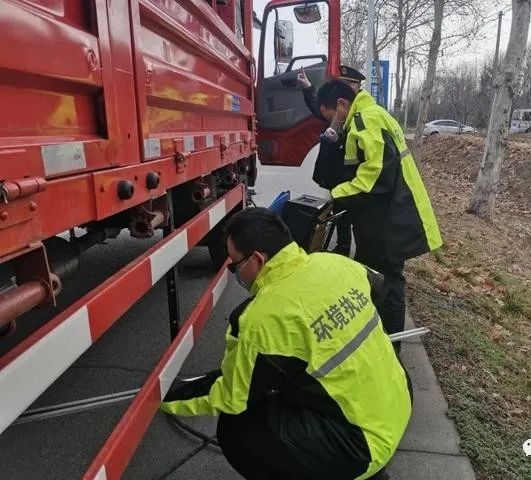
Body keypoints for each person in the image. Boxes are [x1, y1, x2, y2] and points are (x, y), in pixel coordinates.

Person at [161, 208, 412, 480]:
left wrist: (164, 397)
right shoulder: (335, 264)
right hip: (397, 402)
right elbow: (381, 288)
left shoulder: (263, 317)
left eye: (235, 264)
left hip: (360, 445)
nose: (235, 272)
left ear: (257, 259)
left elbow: (234, 396)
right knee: (281, 388)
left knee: (237, 430)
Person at [315, 80, 443, 338]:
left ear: (342, 104)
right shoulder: (372, 115)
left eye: (331, 117)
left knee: (387, 282)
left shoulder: (365, 120)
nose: (332, 124)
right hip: (390, 214)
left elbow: (375, 177)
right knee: (381, 278)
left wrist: (336, 196)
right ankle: (378, 339)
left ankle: (389, 346)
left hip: (389, 219)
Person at [297, 66, 366, 256]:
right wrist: (308, 88)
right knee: (341, 212)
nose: (346, 88)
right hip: (338, 177)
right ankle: (343, 247)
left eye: (349, 84)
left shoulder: (361, 115)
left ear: (357, 87)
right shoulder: (337, 111)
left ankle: (358, 254)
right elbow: (321, 109)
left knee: (355, 217)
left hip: (354, 178)